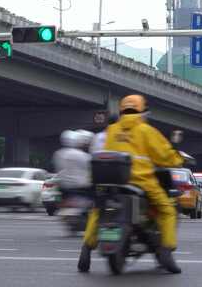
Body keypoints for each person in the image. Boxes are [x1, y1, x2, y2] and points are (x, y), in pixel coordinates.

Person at [78, 95, 184, 274]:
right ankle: (166, 252)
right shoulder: (146, 130)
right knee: (167, 210)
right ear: (142, 111)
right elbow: (164, 155)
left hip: (112, 182)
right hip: (142, 181)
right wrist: (177, 159)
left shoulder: (111, 130)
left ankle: (86, 250)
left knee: (98, 210)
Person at [53, 130, 92, 199]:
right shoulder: (82, 155)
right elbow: (91, 168)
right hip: (81, 189)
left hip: (62, 188)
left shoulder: (58, 154)